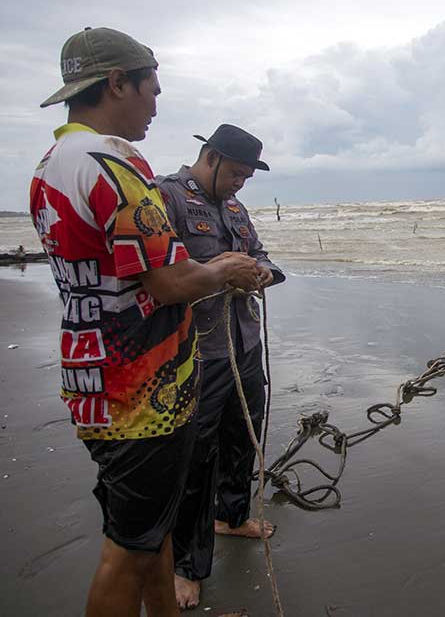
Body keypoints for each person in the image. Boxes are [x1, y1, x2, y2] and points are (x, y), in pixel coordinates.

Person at [29, 27, 260, 617]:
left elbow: (112, 274)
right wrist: (224, 270)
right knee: (127, 549)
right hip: (142, 392)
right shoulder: (114, 163)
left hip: (94, 375)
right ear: (116, 83)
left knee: (148, 531)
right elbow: (168, 282)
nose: (156, 104)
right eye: (151, 90)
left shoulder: (49, 165)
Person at [157, 124, 285, 609]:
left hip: (244, 343)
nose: (240, 184)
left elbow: (263, 256)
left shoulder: (235, 208)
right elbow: (161, 278)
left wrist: (262, 273)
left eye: (248, 177)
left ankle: (231, 517)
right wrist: (218, 274)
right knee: (196, 457)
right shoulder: (167, 199)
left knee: (242, 434)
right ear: (209, 157)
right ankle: (187, 565)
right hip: (197, 352)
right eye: (236, 173)